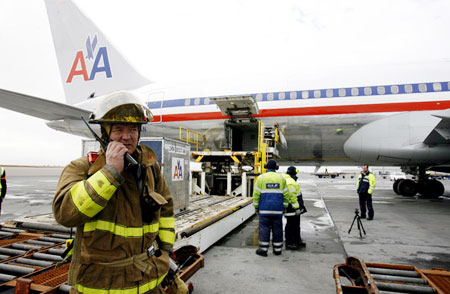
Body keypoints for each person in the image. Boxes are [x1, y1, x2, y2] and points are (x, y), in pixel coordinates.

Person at [53, 92, 176, 294]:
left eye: (133, 130)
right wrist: (110, 173)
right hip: (100, 285)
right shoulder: (82, 168)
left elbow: (167, 214)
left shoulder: (150, 169)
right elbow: (64, 213)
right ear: (104, 133)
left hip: (148, 282)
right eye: (118, 129)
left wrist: (165, 253)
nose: (126, 137)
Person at [253, 159, 298, 257]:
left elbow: (256, 194)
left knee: (264, 229)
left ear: (266, 167)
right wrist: (285, 206)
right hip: (278, 210)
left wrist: (256, 207)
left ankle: (263, 250)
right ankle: (277, 250)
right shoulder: (281, 178)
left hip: (264, 209)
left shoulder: (261, 178)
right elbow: (286, 194)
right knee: (277, 229)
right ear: (276, 167)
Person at [283, 166, 307, 250]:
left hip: (295, 207)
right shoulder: (290, 182)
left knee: (296, 225)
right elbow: (292, 196)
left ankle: (297, 240)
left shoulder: (291, 180)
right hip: (292, 208)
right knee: (291, 225)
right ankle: (289, 242)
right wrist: (296, 208)